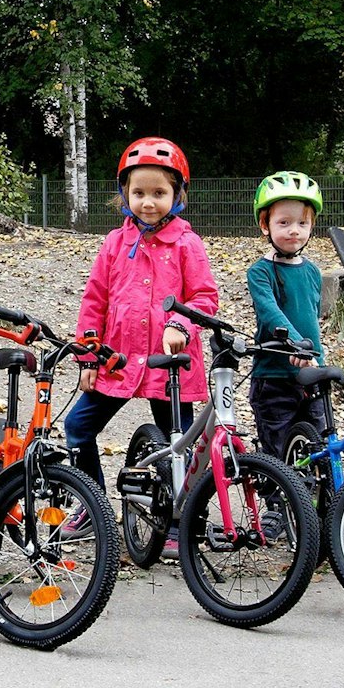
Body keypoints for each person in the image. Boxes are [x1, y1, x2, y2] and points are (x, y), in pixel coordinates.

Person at [64, 138, 218, 545]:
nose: (148, 202)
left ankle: (177, 524)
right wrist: (88, 357)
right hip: (117, 360)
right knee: (77, 426)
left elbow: (205, 297)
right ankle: (90, 502)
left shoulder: (187, 243)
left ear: (177, 194)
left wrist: (181, 326)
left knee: (178, 448)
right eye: (139, 193)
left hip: (169, 365)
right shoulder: (115, 243)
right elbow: (94, 300)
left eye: (159, 193)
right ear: (124, 195)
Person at [245, 172, 331, 457]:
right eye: (284, 222)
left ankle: (322, 501)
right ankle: (275, 501)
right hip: (275, 375)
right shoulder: (260, 272)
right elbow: (270, 314)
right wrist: (297, 345)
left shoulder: (312, 272)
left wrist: (312, 354)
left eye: (302, 223)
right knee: (278, 452)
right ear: (265, 225)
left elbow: (312, 316)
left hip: (311, 374)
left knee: (319, 447)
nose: (294, 230)